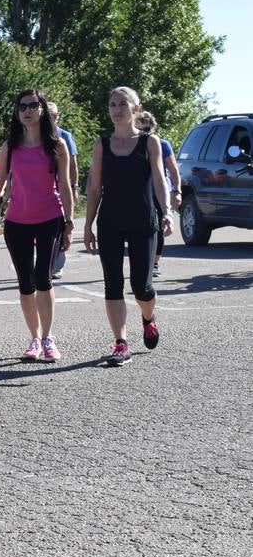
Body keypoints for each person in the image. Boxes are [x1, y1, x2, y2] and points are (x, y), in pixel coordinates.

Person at [0, 89, 75, 363]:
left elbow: (65, 187)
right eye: (22, 107)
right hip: (17, 220)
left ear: (42, 109)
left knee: (43, 277)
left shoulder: (57, 145)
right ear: (17, 113)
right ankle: (33, 338)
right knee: (25, 282)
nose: (27, 111)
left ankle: (48, 338)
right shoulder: (10, 146)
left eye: (33, 105)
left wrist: (69, 222)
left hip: (49, 217)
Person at [81, 87, 172, 366]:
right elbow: (95, 189)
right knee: (113, 284)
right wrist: (87, 225)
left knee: (141, 286)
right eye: (112, 104)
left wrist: (166, 212)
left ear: (135, 108)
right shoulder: (102, 144)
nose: (116, 108)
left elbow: (159, 181)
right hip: (110, 221)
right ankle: (121, 343)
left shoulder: (149, 142)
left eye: (123, 103)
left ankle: (148, 317)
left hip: (143, 220)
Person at [135, 110, 182, 277]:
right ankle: (143, 259)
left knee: (159, 226)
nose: (144, 132)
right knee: (140, 226)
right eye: (140, 128)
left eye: (147, 129)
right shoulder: (130, 144)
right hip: (139, 192)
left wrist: (177, 191)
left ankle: (154, 262)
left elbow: (173, 169)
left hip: (160, 191)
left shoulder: (162, 144)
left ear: (152, 128)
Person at [48, 102, 79, 280]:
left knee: (61, 226)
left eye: (55, 115)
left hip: (62, 187)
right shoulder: (36, 136)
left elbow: (73, 165)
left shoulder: (65, 136)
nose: (53, 118)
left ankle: (58, 264)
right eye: (50, 115)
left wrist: (74, 187)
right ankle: (46, 262)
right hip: (44, 190)